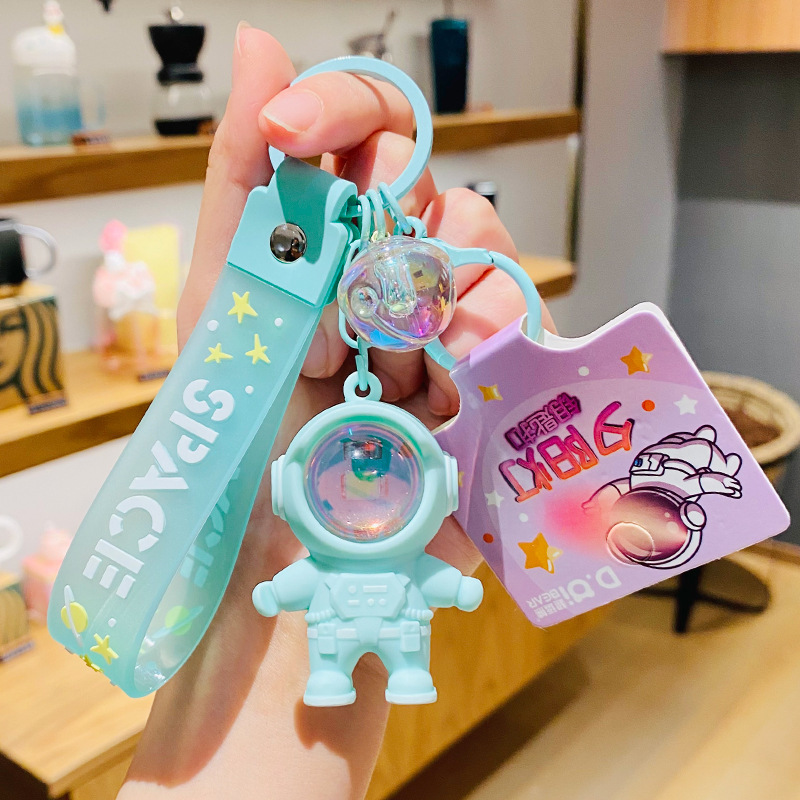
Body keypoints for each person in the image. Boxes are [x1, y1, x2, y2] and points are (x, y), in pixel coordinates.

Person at [118, 23, 556, 800]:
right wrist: (255, 566)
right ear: (295, 488)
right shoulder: (314, 513)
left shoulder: (394, 513)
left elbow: (306, 589)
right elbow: (290, 586)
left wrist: (267, 595)